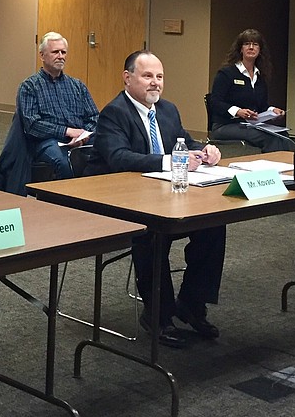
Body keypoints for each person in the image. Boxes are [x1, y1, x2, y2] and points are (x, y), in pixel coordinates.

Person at [87, 50, 226, 348]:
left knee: (213, 224)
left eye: (159, 77)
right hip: (125, 203)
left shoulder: (167, 110)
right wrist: (170, 160)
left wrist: (206, 150)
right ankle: (158, 316)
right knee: (152, 237)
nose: (155, 83)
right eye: (147, 76)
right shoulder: (114, 112)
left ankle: (191, 303)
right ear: (128, 78)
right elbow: (118, 157)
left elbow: (185, 141)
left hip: (167, 196)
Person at [14, 32, 98, 181]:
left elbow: (94, 117)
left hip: (81, 138)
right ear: (42, 55)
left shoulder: (77, 85)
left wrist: (83, 134)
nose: (60, 56)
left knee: (107, 152)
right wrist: (67, 132)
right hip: (47, 141)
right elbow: (32, 125)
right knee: (64, 163)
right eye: (55, 52)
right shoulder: (29, 87)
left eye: (63, 52)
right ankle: (63, 202)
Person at [208, 28, 290, 153]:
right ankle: (270, 168)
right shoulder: (226, 73)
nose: (251, 47)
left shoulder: (260, 77)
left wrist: (272, 110)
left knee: (283, 135)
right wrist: (238, 111)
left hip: (250, 124)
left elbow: (262, 105)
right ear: (241, 49)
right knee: (268, 138)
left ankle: (286, 167)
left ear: (259, 50)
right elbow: (215, 102)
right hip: (225, 125)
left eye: (255, 44)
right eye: (247, 44)